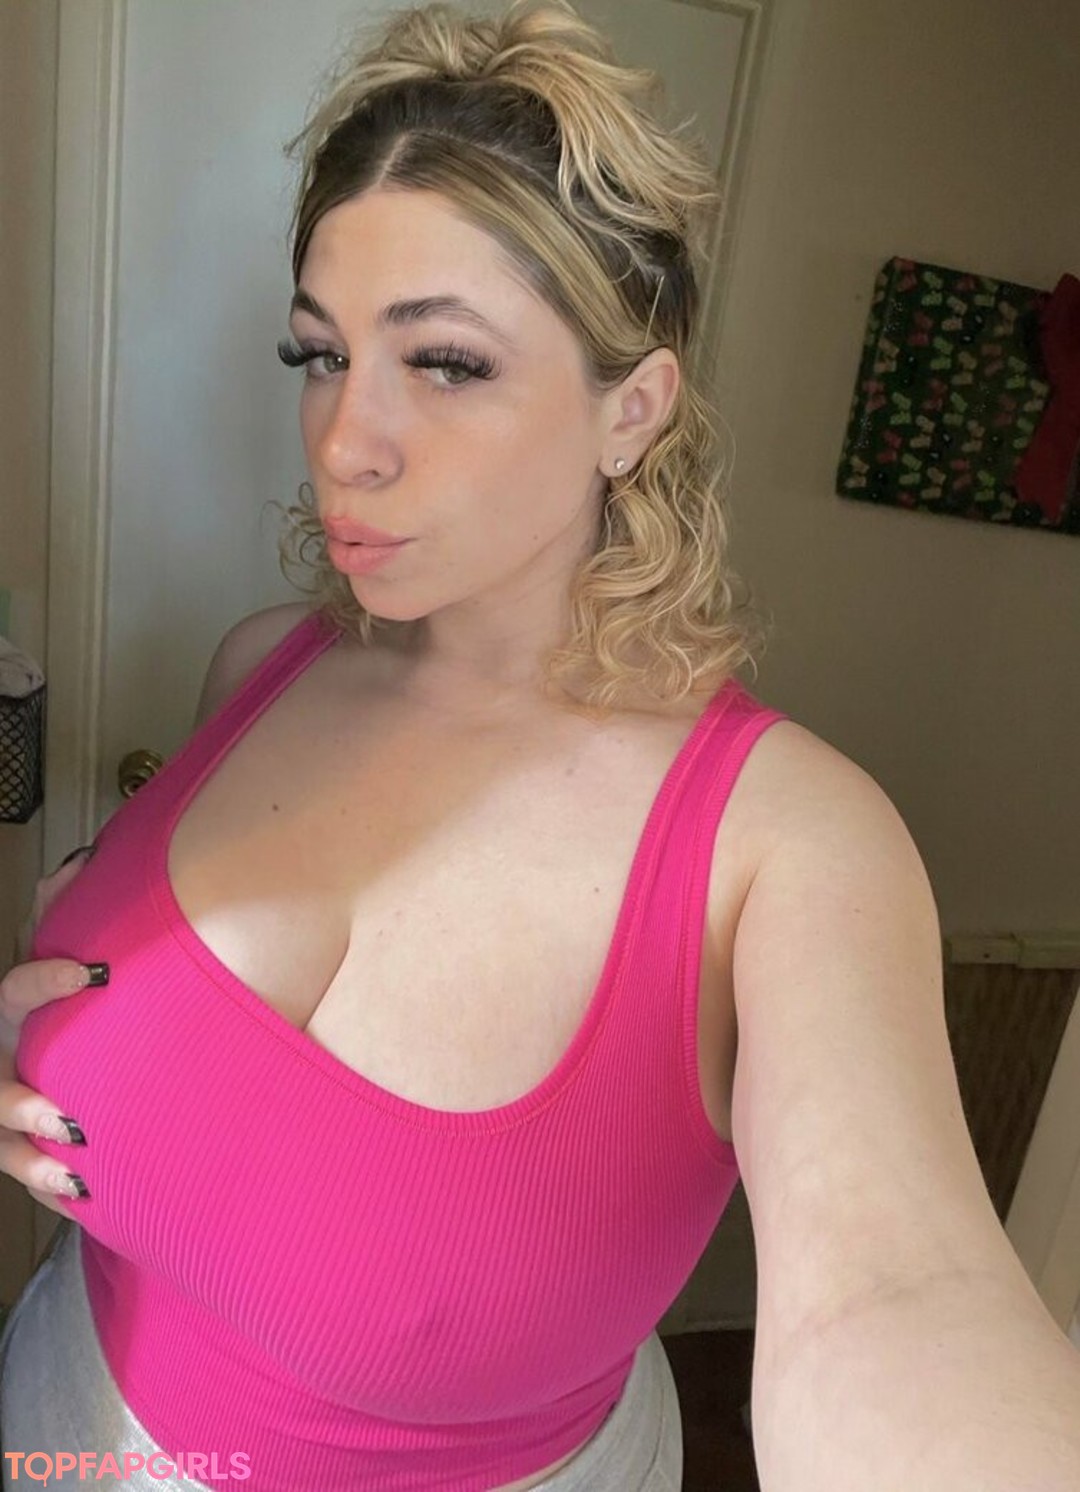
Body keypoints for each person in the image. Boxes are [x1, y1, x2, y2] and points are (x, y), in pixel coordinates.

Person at [2, 1, 1080, 1488]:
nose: (343, 442)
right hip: (59, 1415)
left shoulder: (786, 847)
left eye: (446, 362)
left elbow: (903, 1296)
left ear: (630, 412)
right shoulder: (259, 666)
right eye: (318, 353)